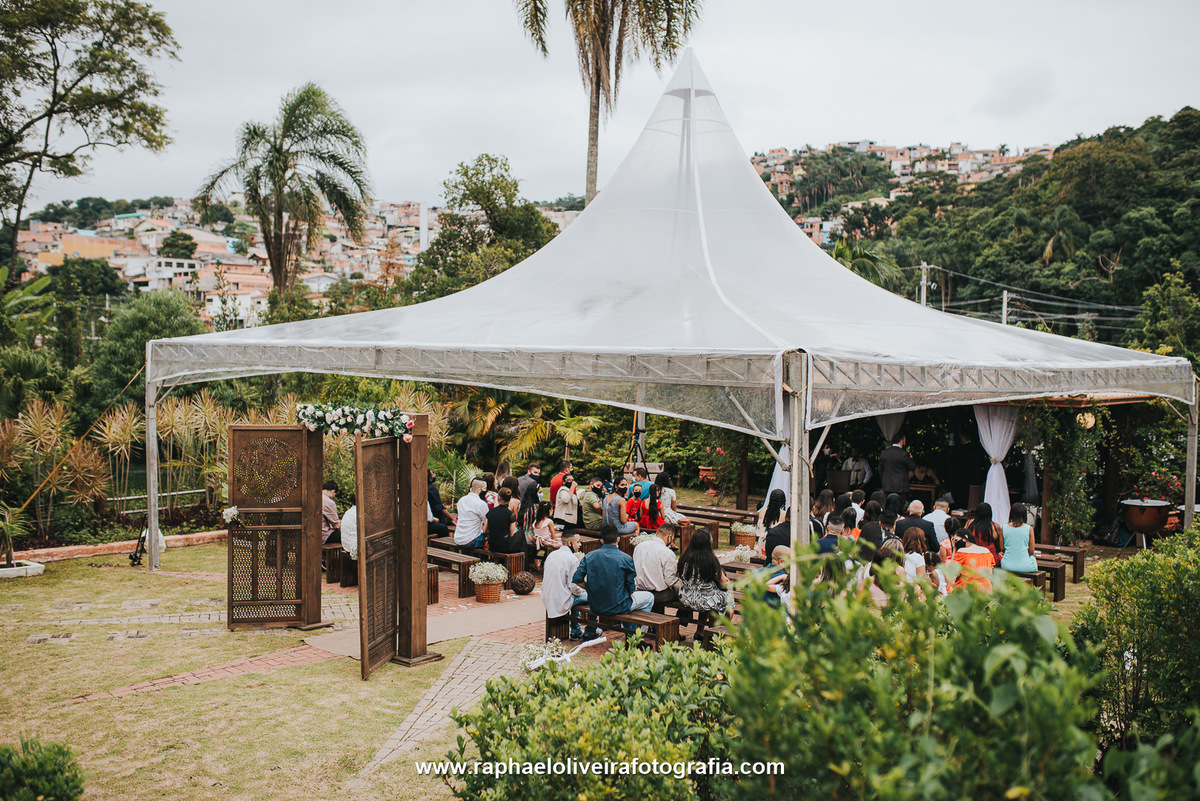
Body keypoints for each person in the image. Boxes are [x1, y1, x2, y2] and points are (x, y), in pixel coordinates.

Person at [572, 524, 654, 616]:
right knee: (649, 597)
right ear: (618, 539)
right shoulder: (625, 558)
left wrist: (590, 588)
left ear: (602, 541)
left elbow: (577, 579)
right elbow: (631, 589)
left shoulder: (589, 556)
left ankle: (629, 624)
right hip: (618, 605)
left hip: (595, 605)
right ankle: (635, 625)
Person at [542, 530, 601, 641]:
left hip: (547, 597)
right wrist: (586, 590)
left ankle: (576, 631)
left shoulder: (552, 555)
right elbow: (574, 586)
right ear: (569, 543)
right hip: (562, 598)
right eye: (577, 542)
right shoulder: (572, 559)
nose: (580, 545)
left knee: (575, 595)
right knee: (595, 597)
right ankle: (591, 631)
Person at [677, 529, 733, 630]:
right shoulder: (710, 560)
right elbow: (724, 581)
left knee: (709, 594)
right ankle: (721, 632)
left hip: (686, 598)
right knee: (729, 599)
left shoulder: (683, 557)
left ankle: (700, 631)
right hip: (704, 600)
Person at [633, 522, 683, 615]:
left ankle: (656, 621)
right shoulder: (668, 553)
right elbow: (669, 581)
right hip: (659, 594)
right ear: (670, 536)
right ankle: (681, 618)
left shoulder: (639, 547)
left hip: (640, 590)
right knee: (682, 592)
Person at [952, 528, 996, 592]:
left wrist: (954, 550)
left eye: (956, 540)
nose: (955, 543)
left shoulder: (962, 551)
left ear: (965, 538)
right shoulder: (987, 551)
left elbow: (952, 570)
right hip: (986, 587)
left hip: (968, 587)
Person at [999, 503, 1038, 574]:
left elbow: (1002, 548)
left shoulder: (1004, 528)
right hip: (1025, 567)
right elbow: (1031, 551)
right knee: (1033, 557)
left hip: (1007, 565)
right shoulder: (1029, 529)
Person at [453, 478, 489, 548]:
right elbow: (487, 521)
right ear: (479, 490)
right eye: (485, 488)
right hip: (471, 540)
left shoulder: (461, 500)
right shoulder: (481, 504)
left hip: (458, 538)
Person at [485, 487, 523, 554]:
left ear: (499, 497)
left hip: (492, 545)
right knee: (521, 534)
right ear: (510, 498)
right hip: (504, 546)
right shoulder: (511, 515)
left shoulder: (490, 512)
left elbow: (484, 530)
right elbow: (511, 534)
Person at [531, 501, 561, 570]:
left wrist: (553, 528)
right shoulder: (549, 521)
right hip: (545, 541)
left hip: (537, 540)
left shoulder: (536, 520)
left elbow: (541, 531)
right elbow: (553, 537)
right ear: (549, 511)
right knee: (562, 542)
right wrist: (559, 535)